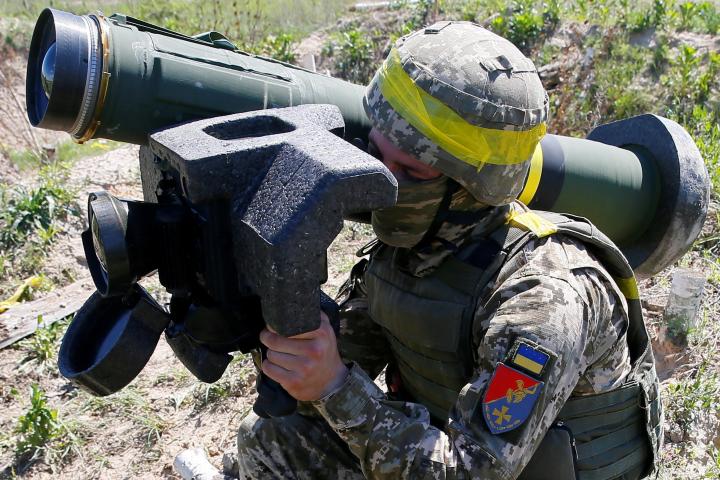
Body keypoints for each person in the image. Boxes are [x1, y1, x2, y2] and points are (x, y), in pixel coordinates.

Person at [236, 21, 662, 479]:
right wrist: (268, 310)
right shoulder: (417, 246)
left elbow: (470, 472)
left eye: (411, 172)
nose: (384, 182)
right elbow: (339, 356)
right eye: (375, 155)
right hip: (450, 453)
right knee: (273, 439)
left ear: (470, 189)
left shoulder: (542, 300)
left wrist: (336, 388)